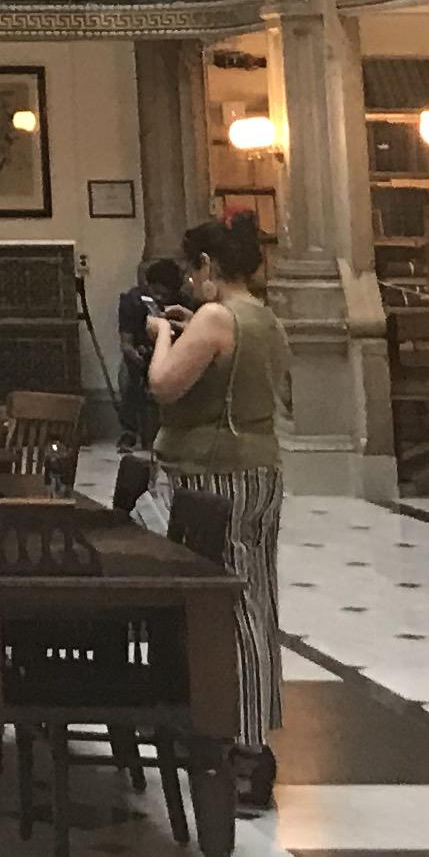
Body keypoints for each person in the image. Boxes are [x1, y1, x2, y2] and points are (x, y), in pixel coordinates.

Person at [146, 216, 289, 814]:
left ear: (207, 266)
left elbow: (163, 385)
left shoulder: (213, 317)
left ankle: (241, 747)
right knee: (257, 596)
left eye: (192, 271)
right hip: (260, 466)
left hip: (211, 472)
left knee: (224, 604)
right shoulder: (263, 315)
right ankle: (250, 736)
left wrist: (161, 333)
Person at [115, 254, 189, 447]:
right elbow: (126, 343)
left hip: (173, 354)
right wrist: (136, 355)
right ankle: (129, 430)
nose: (159, 298)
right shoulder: (133, 301)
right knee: (128, 378)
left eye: (165, 295)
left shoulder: (182, 303)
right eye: (155, 292)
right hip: (140, 354)